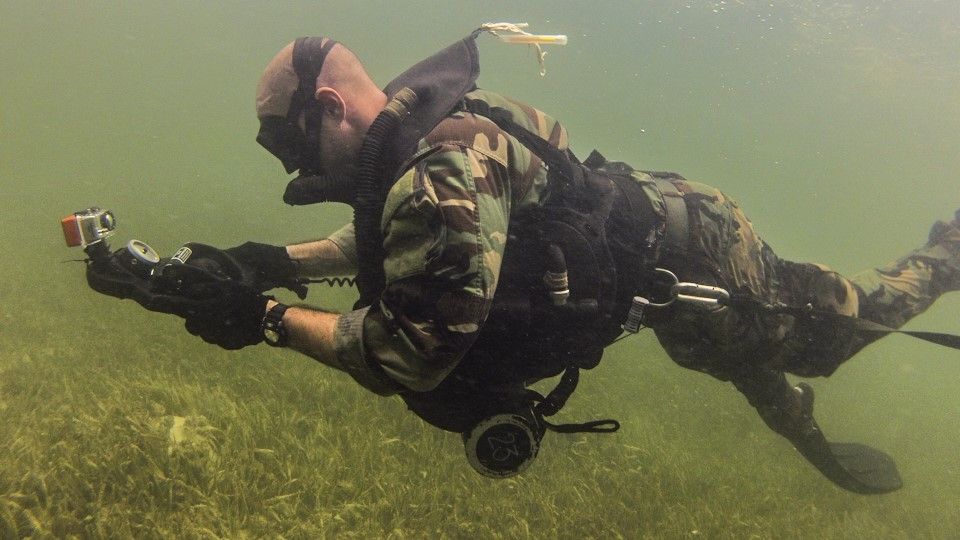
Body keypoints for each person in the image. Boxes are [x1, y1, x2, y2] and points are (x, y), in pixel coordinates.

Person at [86, 29, 960, 491]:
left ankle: (945, 253)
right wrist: (271, 258)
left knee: (837, 330)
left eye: (286, 143)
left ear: (327, 107)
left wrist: (266, 316)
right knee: (717, 354)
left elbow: (410, 351)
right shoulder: (420, 133)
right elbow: (402, 244)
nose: (291, 168)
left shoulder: (439, 173)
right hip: (663, 274)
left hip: (702, 251)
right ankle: (791, 408)